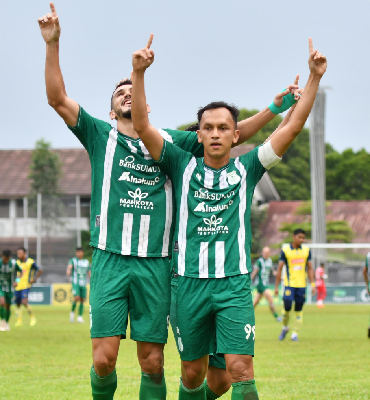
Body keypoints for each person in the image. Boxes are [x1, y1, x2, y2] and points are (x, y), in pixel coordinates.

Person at [37, 4, 301, 399]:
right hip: (110, 257)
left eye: (133, 91)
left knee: (153, 362)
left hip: (158, 263)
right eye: (120, 94)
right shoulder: (98, 134)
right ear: (112, 111)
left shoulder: (172, 141)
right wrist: (53, 43)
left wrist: (273, 109)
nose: (128, 95)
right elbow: (57, 98)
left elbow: (230, 134)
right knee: (104, 359)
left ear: (146, 104)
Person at [131, 33, 327, 399]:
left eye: (224, 128)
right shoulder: (179, 163)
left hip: (234, 286)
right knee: (194, 377)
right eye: (208, 128)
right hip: (187, 285)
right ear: (199, 135)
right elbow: (142, 126)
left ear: (236, 135)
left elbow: (293, 126)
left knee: (239, 371)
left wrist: (313, 77)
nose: (216, 133)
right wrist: (138, 73)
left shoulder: (248, 169)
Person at [274, 228, 315, 341]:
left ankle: (295, 333)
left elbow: (310, 268)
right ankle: (285, 327)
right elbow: (279, 269)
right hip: (289, 284)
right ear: (294, 237)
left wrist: (312, 284)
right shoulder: (286, 250)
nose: (301, 240)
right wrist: (276, 286)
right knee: (287, 306)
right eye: (299, 237)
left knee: (298, 309)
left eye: (303, 238)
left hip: (302, 285)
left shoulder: (306, 251)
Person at [250, 246, 281, 321]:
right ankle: (277, 316)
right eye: (264, 252)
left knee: (255, 302)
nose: (265, 254)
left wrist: (280, 276)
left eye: (267, 252)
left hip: (266, 283)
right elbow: (254, 272)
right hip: (261, 284)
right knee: (270, 299)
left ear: (269, 253)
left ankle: (247, 316)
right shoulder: (259, 261)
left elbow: (273, 272)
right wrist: (249, 281)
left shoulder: (270, 261)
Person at [15, 247, 41, 327]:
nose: (19, 255)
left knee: (24, 302)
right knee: (18, 304)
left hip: (26, 285)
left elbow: (39, 270)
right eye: (18, 254)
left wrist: (34, 279)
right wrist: (15, 281)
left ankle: (32, 318)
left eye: (20, 253)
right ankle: (19, 321)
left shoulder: (30, 262)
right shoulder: (16, 263)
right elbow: (17, 274)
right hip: (17, 286)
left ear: (24, 254)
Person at [67, 247, 91, 323]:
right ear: (76, 253)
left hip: (83, 283)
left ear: (83, 253)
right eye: (77, 252)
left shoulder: (86, 262)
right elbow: (70, 266)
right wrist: (68, 270)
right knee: (76, 298)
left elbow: (89, 271)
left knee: (82, 300)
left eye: (80, 252)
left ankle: (80, 317)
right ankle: (72, 314)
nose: (79, 253)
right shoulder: (73, 260)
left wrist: (91, 280)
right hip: (75, 283)